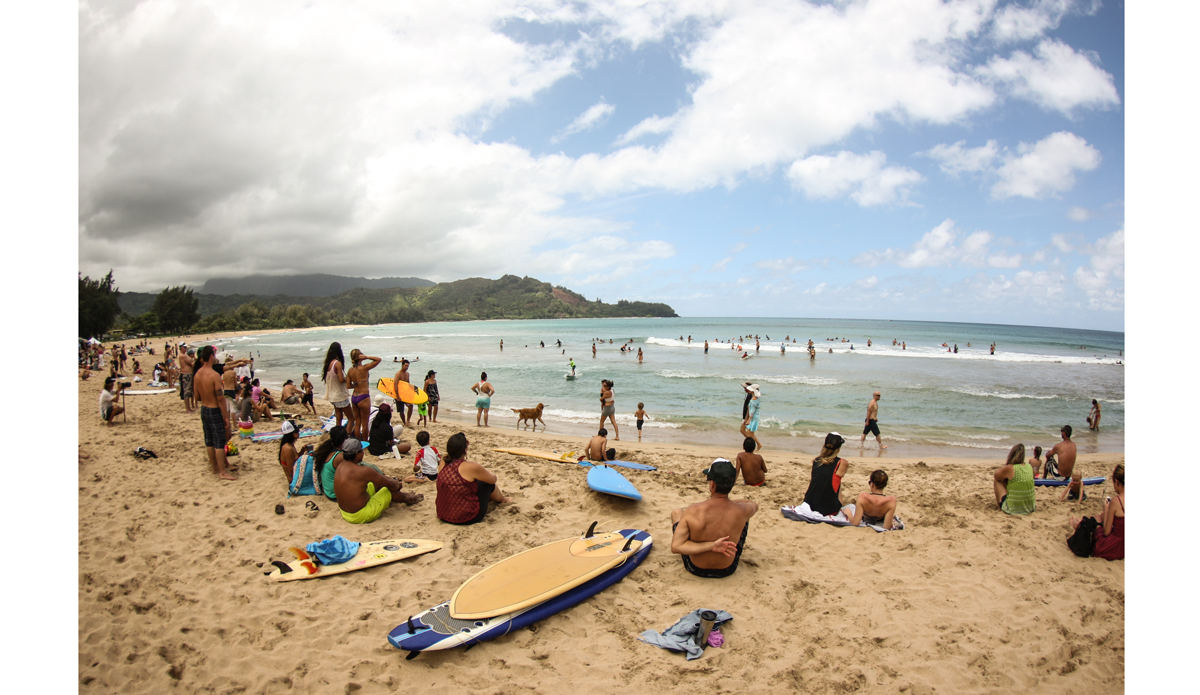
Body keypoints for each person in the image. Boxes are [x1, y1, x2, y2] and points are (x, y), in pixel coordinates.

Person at [669, 459, 759, 578]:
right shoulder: (743, 510)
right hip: (727, 569)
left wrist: (711, 546)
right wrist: (731, 504)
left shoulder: (693, 511)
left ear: (712, 484)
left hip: (695, 568)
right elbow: (753, 504)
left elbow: (676, 547)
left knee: (677, 512)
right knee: (745, 518)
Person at [334, 439, 422, 524]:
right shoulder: (363, 471)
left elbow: (380, 479)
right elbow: (392, 485)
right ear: (357, 454)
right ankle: (409, 499)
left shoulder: (340, 466)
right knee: (389, 490)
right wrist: (397, 484)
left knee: (375, 482)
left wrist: (391, 481)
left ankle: (404, 495)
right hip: (360, 515)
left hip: (345, 513)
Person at [436, 432, 512, 525]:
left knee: (469, 483)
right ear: (465, 449)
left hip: (443, 514)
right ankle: (503, 499)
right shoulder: (471, 467)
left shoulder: (443, 462)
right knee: (486, 483)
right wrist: (490, 474)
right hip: (467, 517)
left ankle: (499, 498)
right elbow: (493, 479)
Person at [194, 346, 237, 481]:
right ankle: (222, 472)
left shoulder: (197, 374)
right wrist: (225, 416)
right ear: (211, 357)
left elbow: (197, 397)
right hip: (214, 409)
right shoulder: (214, 375)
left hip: (204, 409)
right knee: (219, 441)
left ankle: (215, 468)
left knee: (209, 441)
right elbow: (220, 398)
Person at [1068, 464, 1123, 560]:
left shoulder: (1116, 500)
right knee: (1101, 516)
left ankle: (1079, 525)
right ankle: (1080, 524)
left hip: (1115, 547)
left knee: (1097, 518)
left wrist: (1106, 509)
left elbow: (1106, 532)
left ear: (1117, 482)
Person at [803, 433, 850, 515]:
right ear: (838, 448)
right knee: (835, 481)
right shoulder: (842, 463)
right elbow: (836, 484)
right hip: (828, 509)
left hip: (809, 504)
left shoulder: (816, 461)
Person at [347, 349, 381, 441]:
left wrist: (357, 383)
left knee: (357, 422)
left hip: (354, 397)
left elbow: (348, 385)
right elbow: (378, 359)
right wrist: (367, 357)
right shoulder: (364, 368)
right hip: (363, 396)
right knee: (365, 423)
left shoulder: (350, 370)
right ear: (359, 357)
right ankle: (365, 442)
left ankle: (358, 442)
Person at [993, 443, 1035, 515]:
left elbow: (996, 475)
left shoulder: (1010, 467)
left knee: (997, 481)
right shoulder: (1029, 466)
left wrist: (1004, 468)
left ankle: (1000, 508)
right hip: (1030, 507)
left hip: (1013, 509)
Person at [322, 342, 353, 432]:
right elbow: (340, 379)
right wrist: (348, 378)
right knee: (351, 418)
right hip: (340, 395)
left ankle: (338, 435)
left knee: (339, 417)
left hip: (332, 395)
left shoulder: (328, 363)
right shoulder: (337, 364)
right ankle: (346, 437)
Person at [740, 384, 762, 451]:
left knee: (749, 432)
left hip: (753, 418)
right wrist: (746, 418)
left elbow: (752, 411)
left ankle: (752, 445)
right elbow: (749, 409)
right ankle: (757, 444)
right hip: (751, 417)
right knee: (749, 432)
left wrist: (748, 420)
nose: (746, 389)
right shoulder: (753, 398)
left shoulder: (753, 399)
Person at [393, 359, 414, 426]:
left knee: (410, 406)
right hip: (399, 394)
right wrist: (397, 396)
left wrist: (411, 393)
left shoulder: (407, 374)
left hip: (405, 394)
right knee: (401, 411)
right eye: (405, 366)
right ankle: (404, 422)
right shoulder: (398, 374)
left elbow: (408, 385)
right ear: (402, 365)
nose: (406, 367)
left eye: (408, 366)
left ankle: (408, 421)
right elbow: (395, 385)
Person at [179, 348, 195, 413]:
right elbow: (191, 363)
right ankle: (188, 409)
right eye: (184, 347)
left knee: (189, 391)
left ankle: (189, 408)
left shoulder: (184, 355)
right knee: (187, 391)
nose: (185, 348)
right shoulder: (183, 355)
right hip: (186, 375)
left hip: (188, 374)